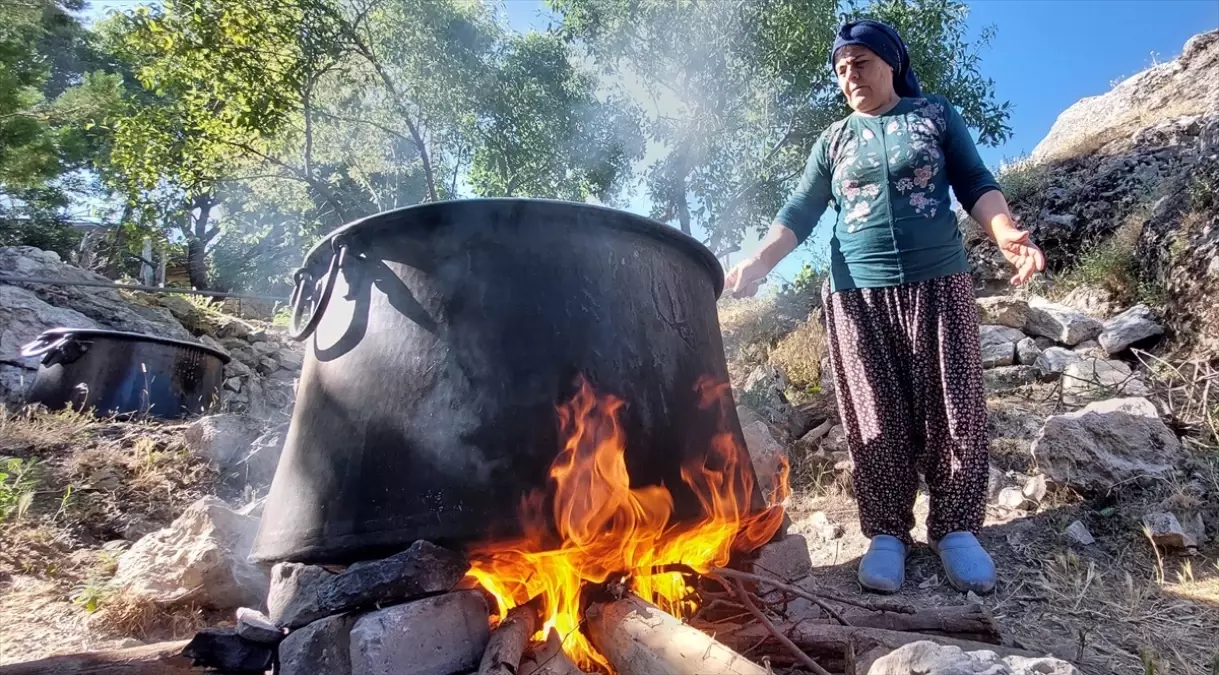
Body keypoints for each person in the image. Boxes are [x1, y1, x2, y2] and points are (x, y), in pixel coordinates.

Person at [726, 20, 1045, 595]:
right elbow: (800, 209)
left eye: (862, 62)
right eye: (841, 68)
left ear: (891, 63)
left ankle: (955, 529)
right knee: (873, 412)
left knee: (953, 403)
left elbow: (973, 181)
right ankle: (888, 533)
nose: (850, 75)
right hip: (856, 291)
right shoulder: (834, 140)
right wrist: (757, 263)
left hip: (937, 281)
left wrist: (1004, 232)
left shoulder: (934, 116)